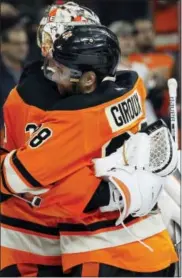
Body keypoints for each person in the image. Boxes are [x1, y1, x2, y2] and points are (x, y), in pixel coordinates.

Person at [1, 24, 178, 277]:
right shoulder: (133, 88)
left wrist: (104, 194)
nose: (55, 78)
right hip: (154, 245)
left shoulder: (74, 119)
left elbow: (16, 176)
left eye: (62, 71)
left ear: (88, 79)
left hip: (102, 252)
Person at [0, 2, 101, 277]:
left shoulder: (84, 88)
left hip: (67, 237)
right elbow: (35, 172)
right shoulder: (30, 97)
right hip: (29, 234)